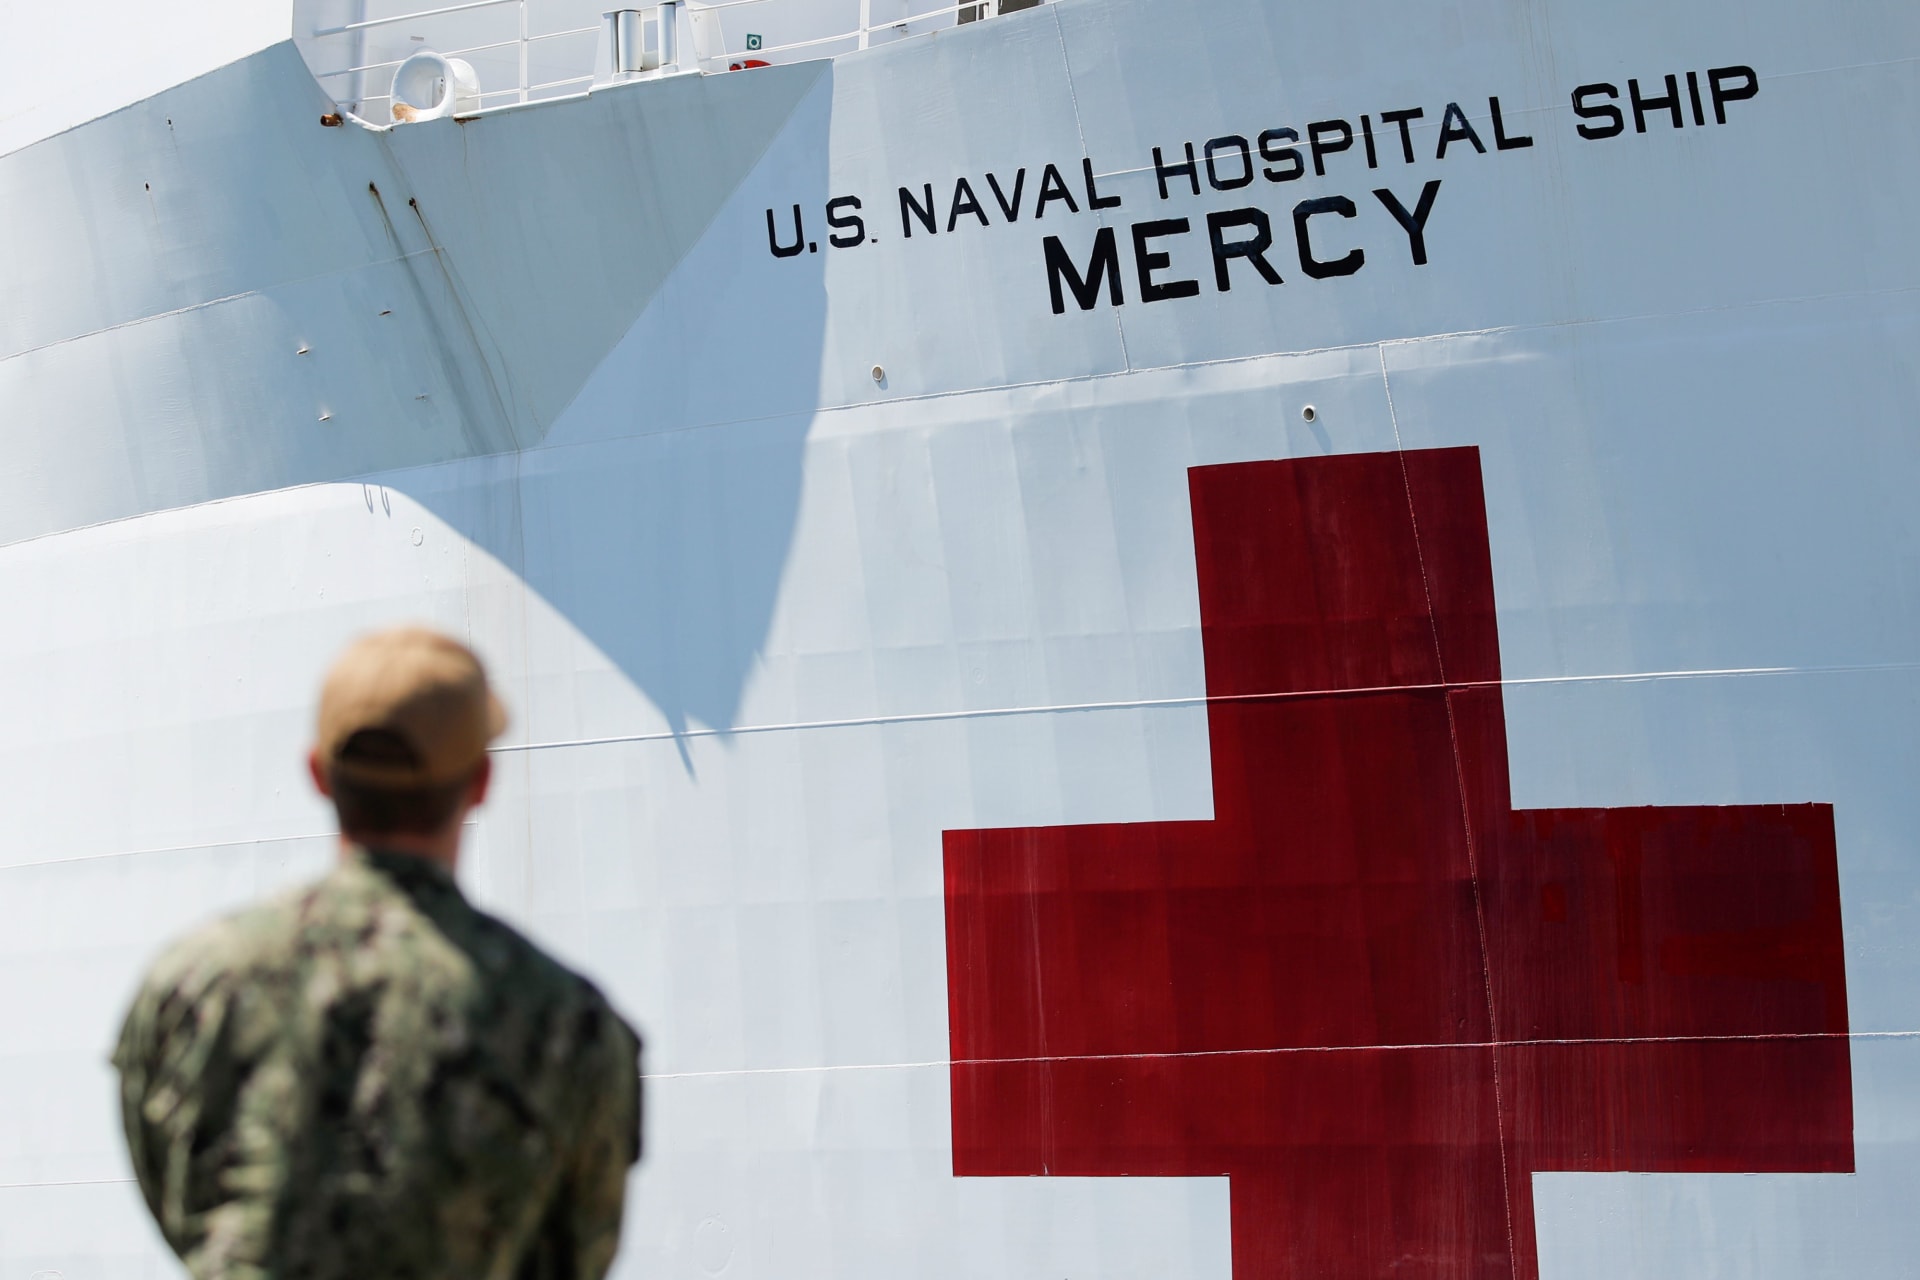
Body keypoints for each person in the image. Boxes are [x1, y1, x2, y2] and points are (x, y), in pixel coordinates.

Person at [112, 626, 642, 1280]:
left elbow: (178, 1198)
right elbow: (578, 1250)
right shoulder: (571, 1022)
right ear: (480, 782)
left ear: (317, 774)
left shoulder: (194, 983)